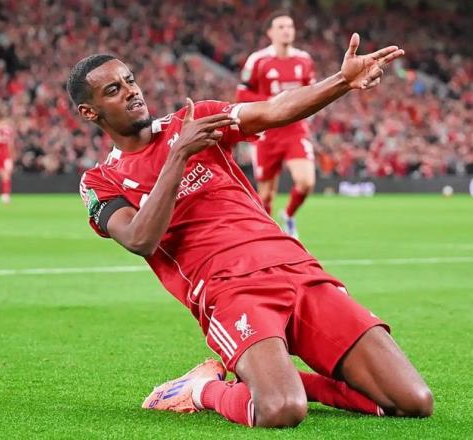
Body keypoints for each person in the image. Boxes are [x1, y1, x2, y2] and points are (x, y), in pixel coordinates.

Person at [68, 34, 433, 429]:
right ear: (90, 112)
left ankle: (293, 383)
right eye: (113, 90)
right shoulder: (101, 180)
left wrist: (342, 81)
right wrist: (179, 155)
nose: (131, 91)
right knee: (280, 409)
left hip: (297, 270)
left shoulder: (196, 119)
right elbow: (140, 239)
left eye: (130, 80)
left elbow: (275, 109)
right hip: (231, 290)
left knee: (413, 401)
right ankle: (200, 390)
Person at [236, 10, 317, 237]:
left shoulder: (304, 60)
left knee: (306, 182)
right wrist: (272, 102)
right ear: (270, 32)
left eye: (290, 26)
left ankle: (289, 216)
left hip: (295, 130)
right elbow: (241, 94)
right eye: (281, 27)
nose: (286, 31)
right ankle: (269, 236)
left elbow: (313, 92)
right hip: (267, 132)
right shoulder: (258, 60)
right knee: (265, 195)